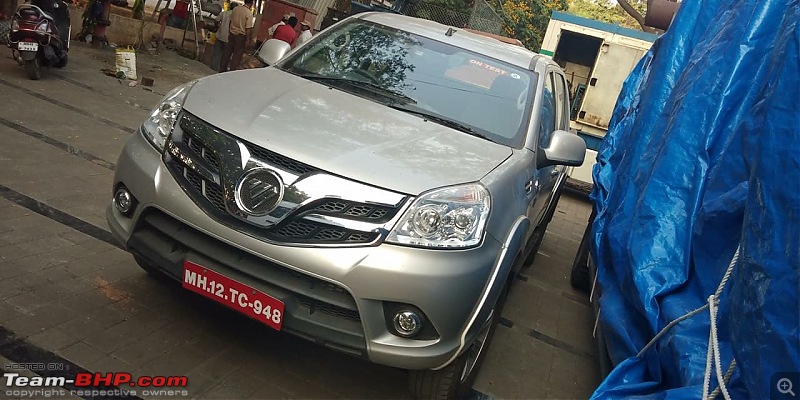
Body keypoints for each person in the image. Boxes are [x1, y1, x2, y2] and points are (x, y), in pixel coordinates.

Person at [226, 0, 253, 71]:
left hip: (232, 34)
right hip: (240, 37)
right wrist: (248, 40)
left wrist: (229, 32)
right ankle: (232, 71)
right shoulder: (249, 13)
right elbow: (248, 28)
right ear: (251, 4)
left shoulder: (236, 9)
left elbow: (230, 21)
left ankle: (222, 70)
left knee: (227, 53)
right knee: (236, 56)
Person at [213, 6, 233, 72]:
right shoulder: (235, 16)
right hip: (228, 38)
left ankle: (214, 68)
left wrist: (218, 26)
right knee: (225, 56)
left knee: (217, 53)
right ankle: (221, 70)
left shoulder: (224, 13)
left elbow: (216, 20)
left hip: (220, 35)